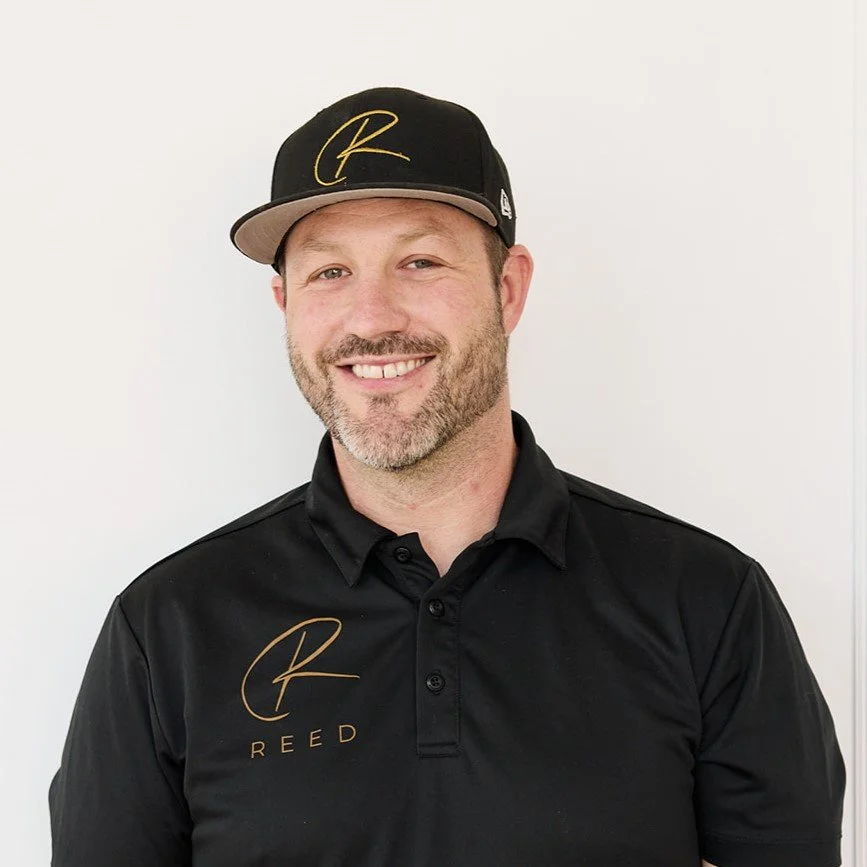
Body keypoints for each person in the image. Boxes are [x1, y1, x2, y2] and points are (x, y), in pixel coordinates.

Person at [49, 86, 845, 867]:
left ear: (507, 289)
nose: (371, 317)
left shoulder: (706, 602)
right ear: (283, 302)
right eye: (329, 273)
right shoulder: (167, 629)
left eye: (419, 260)